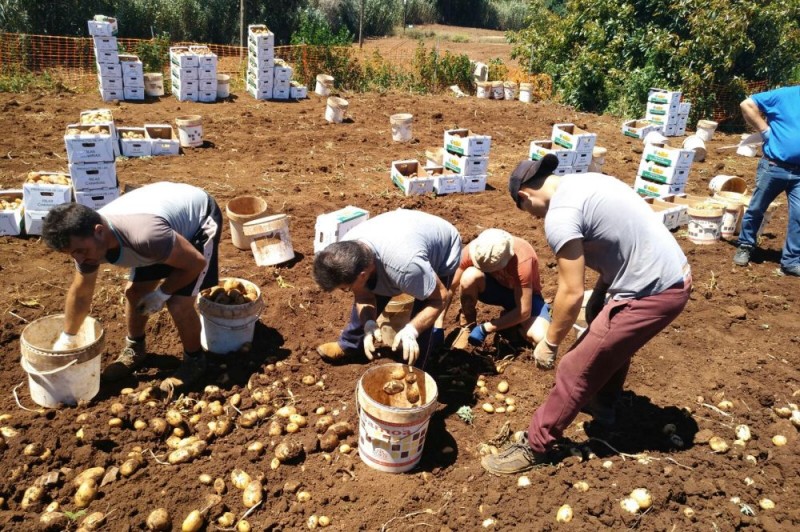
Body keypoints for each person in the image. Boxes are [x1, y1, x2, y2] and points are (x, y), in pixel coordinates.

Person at [480, 155, 692, 475]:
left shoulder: (559, 216)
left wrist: (550, 343)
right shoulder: (586, 182)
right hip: (669, 273)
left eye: (530, 214)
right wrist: (603, 294)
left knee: (574, 365)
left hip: (654, 291)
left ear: (524, 197)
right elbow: (620, 238)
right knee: (604, 331)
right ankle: (603, 404)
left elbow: (571, 292)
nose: (537, 219)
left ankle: (537, 445)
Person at [42, 182, 222, 393]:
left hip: (197, 218)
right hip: (160, 226)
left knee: (178, 303)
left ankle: (195, 360)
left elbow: (195, 263)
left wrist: (162, 293)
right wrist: (68, 338)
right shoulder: (86, 242)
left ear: (99, 231)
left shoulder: (146, 236)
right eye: (73, 253)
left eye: (81, 251)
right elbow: (81, 292)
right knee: (135, 292)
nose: (80, 259)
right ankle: (136, 347)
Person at [313, 209, 461, 368]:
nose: (346, 291)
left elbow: (439, 298)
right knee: (370, 291)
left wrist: (412, 330)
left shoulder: (407, 267)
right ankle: (349, 345)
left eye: (346, 288)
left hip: (442, 248)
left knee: (423, 314)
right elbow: (363, 297)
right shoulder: (345, 252)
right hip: (401, 235)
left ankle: (414, 370)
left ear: (363, 274)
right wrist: (368, 323)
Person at [733, 86, 800, 276]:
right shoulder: (784, 95)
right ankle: (745, 246)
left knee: (799, 216)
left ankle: (791, 262)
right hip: (774, 166)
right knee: (756, 209)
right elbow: (747, 104)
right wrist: (764, 130)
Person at [448, 228, 551, 349]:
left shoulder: (523, 259)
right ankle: (468, 326)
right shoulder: (478, 249)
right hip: (494, 290)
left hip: (525, 298)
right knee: (469, 277)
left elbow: (524, 311)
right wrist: (437, 325)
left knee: (540, 337)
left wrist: (486, 328)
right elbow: (449, 288)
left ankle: (514, 326)